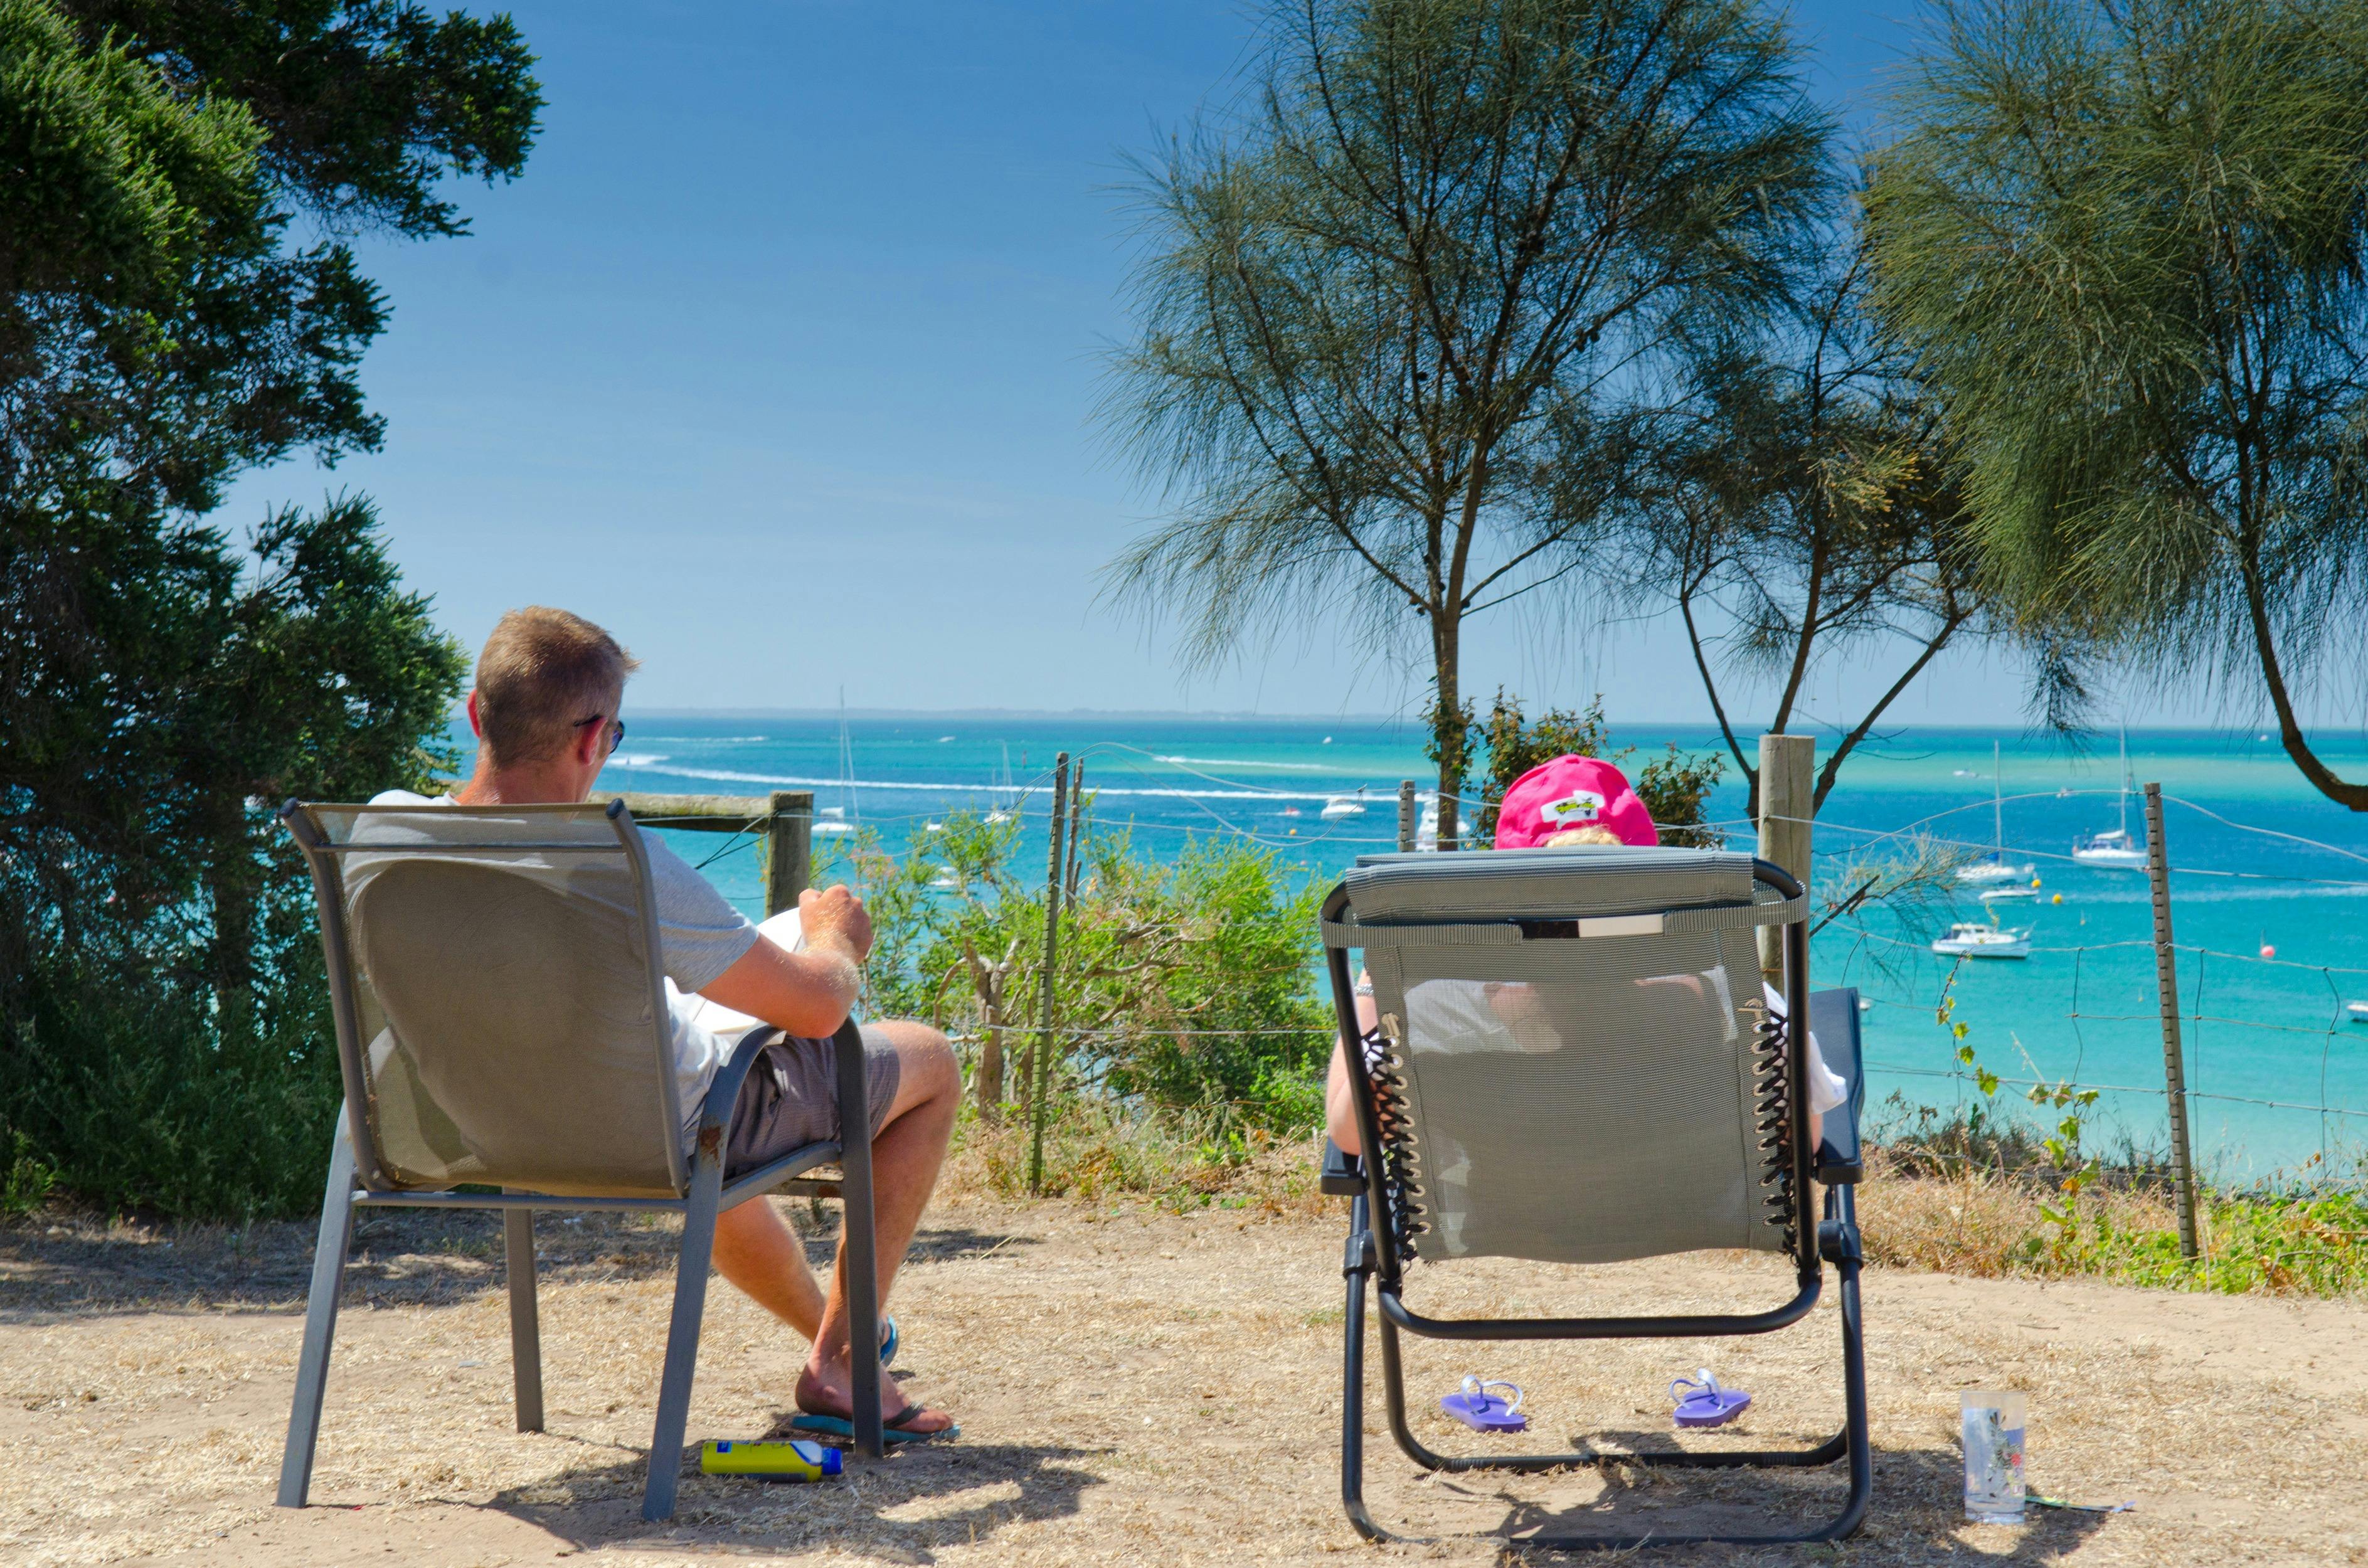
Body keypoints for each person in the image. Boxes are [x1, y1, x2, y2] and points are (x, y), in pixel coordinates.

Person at [368, 607, 958, 1441]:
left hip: (474, 1126)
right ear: (592, 739)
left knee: (691, 1059)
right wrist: (832, 937)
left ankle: (835, 1350)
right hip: (651, 1134)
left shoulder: (383, 829)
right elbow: (822, 1008)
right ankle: (843, 1357)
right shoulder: (620, 863)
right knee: (928, 1061)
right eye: (612, 734)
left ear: (475, 714)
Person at [1324, 755, 1844, 1160]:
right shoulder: (1735, 1004)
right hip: (1691, 1216)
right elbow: (1802, 1140)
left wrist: (1373, 982)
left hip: (1509, 1222)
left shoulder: (1444, 1014)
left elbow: (1350, 1135)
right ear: (1652, 879)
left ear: (1503, 886)